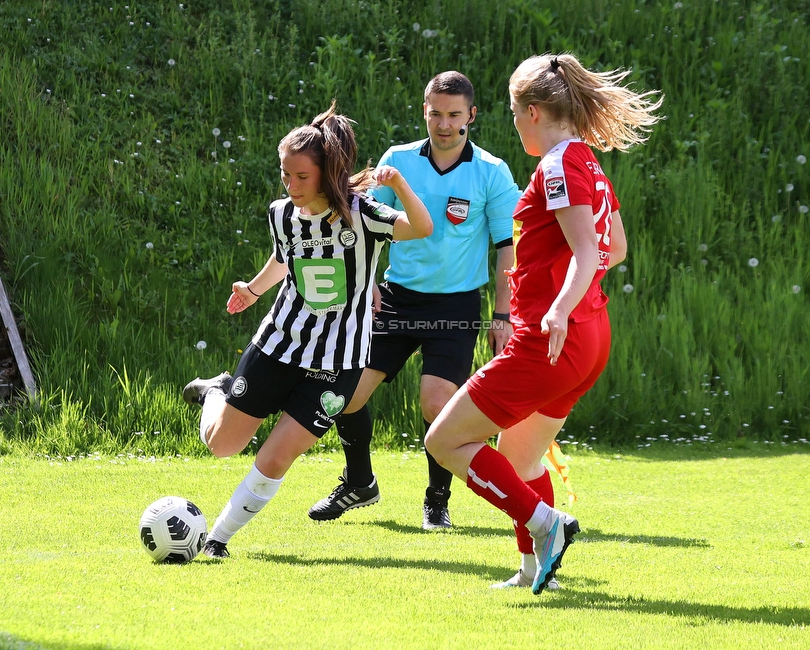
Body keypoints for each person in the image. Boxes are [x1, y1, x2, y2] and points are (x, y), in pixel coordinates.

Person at [425, 53, 662, 593]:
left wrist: (556, 305)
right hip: (590, 336)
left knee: (443, 441)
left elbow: (586, 251)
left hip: (552, 337)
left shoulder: (556, 165)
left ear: (533, 111)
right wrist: (566, 290)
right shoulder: (588, 163)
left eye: (512, 112)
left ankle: (548, 525)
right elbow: (614, 248)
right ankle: (537, 569)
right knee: (522, 456)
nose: (512, 123)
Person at [182, 102, 432, 558]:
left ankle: (216, 540)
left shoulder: (364, 214)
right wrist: (253, 291)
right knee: (222, 446)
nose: (291, 186)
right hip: (279, 343)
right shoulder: (281, 213)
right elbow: (285, 258)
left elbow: (422, 226)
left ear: (327, 173)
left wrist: (399, 184)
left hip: (339, 364)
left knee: (276, 458)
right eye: (285, 175)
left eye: (301, 177)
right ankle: (215, 391)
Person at [307, 71, 521, 530]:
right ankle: (359, 483)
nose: (444, 124)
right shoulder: (397, 161)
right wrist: (367, 289)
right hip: (396, 300)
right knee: (345, 395)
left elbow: (508, 247)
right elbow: (361, 225)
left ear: (471, 116)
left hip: (456, 306)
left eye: (454, 115)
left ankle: (437, 501)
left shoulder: (492, 172)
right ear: (424, 112)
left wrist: (504, 314)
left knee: (436, 404)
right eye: (436, 114)